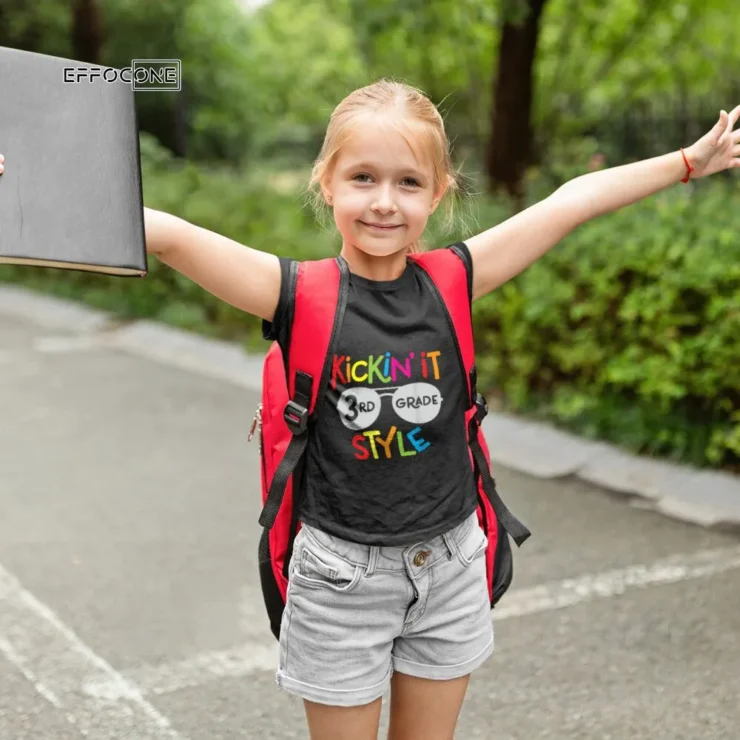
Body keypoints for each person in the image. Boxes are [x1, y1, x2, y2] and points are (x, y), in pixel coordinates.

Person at [1, 80, 738, 740]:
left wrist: (685, 163)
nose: (385, 201)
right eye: (363, 178)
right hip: (340, 580)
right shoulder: (294, 292)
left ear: (438, 193)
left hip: (450, 566)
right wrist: (24, 199)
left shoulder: (455, 280)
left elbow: (569, 201)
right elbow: (164, 234)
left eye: (408, 182)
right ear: (327, 184)